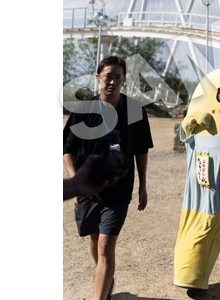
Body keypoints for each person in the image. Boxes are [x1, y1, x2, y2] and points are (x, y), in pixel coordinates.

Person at [63, 56, 154, 300]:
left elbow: (141, 150)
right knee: (94, 239)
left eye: (118, 77)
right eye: (108, 77)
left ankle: (100, 294)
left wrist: (143, 185)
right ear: (98, 78)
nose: (112, 81)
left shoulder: (135, 111)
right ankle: (105, 277)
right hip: (88, 191)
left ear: (124, 81)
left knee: (105, 246)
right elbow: (68, 151)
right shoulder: (83, 111)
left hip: (119, 190)